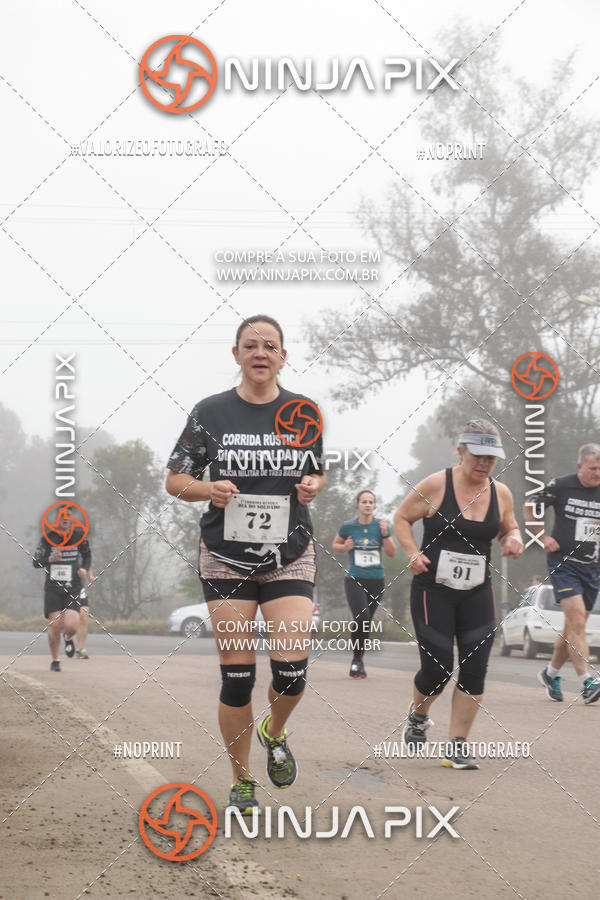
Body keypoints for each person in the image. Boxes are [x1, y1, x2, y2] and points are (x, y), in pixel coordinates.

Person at [166, 314, 326, 815]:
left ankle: (273, 730)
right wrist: (206, 489)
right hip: (225, 558)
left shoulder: (304, 411)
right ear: (236, 355)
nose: (261, 352)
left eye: (270, 345)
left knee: (292, 668)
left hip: (289, 553)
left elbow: (316, 475)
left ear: (283, 355)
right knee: (237, 676)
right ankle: (243, 781)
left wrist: (312, 487)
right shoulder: (209, 413)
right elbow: (175, 480)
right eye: (251, 345)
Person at [393, 420, 523, 769]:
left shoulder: (501, 493)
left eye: (490, 459)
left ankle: (457, 745)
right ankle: (418, 715)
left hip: (476, 592)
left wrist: (514, 538)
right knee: (437, 666)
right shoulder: (437, 485)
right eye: (477, 456)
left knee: (475, 668)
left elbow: (510, 525)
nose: (483, 464)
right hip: (433, 591)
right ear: (461, 451)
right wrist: (411, 553)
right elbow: (402, 518)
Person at [526, 444, 600, 704]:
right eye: (593, 467)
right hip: (563, 564)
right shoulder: (561, 486)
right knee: (577, 618)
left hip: (592, 568)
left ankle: (551, 673)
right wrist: (542, 536)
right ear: (580, 466)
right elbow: (530, 506)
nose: (597, 472)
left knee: (572, 626)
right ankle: (586, 682)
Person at [332, 489, 396, 678]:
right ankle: (356, 661)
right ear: (357, 505)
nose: (367, 504)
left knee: (366, 623)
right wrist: (345, 547)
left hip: (376, 580)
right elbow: (335, 545)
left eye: (371, 502)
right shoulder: (348, 526)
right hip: (354, 578)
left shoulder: (382, 526)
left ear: (374, 505)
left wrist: (385, 535)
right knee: (361, 618)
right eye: (364, 501)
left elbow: (392, 552)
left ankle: (359, 659)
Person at [33, 519, 93, 672]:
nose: (65, 520)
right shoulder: (47, 538)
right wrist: (50, 559)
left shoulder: (79, 536)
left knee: (72, 626)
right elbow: (36, 562)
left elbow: (87, 556)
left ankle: (67, 638)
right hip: (53, 588)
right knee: (55, 625)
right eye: (62, 517)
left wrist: (84, 569)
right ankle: (55, 660)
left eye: (68, 517)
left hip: (73, 587)